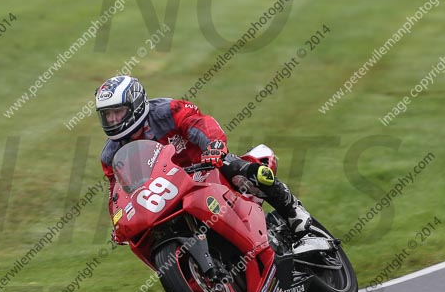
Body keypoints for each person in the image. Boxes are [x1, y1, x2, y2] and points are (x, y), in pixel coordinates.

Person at [95, 75, 331, 254]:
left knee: (250, 172)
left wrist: (214, 147)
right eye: (107, 115)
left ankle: (300, 222)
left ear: (136, 105)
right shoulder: (110, 155)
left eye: (118, 112)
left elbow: (200, 124)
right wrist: (119, 221)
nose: (113, 119)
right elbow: (117, 192)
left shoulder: (168, 111)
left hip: (205, 167)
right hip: (166, 193)